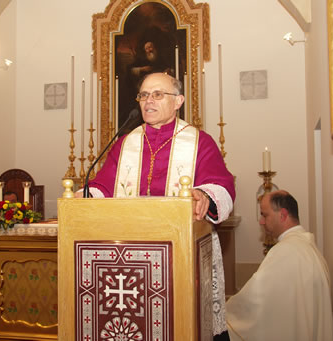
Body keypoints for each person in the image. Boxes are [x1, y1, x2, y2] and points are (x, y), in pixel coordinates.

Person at [76, 72, 235, 340]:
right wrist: (84, 198)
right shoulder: (127, 142)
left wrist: (205, 195)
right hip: (128, 256)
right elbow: (103, 185)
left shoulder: (199, 141)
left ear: (178, 101)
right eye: (144, 95)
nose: (148, 101)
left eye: (158, 94)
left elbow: (220, 183)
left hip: (181, 255)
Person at [226, 190, 333, 341]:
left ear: (283, 215)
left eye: (265, 215)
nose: (261, 221)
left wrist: (226, 312)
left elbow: (255, 298)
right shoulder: (307, 245)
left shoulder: (286, 251)